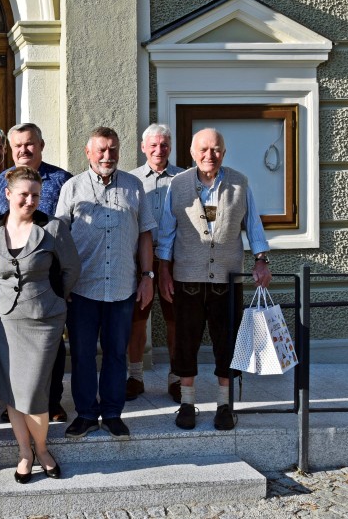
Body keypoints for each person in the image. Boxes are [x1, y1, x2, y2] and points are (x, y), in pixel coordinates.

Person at [157, 128, 272, 431]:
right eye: (204, 149)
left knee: (228, 343)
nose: (210, 155)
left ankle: (224, 404)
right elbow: (167, 232)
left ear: (224, 152)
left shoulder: (239, 183)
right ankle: (187, 402)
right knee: (186, 341)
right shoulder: (178, 184)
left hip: (227, 277)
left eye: (216, 149)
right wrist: (164, 271)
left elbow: (254, 226)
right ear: (193, 153)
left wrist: (261, 260)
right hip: (187, 278)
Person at [0, 166, 81, 483]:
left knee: (36, 391)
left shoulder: (53, 228)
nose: (30, 200)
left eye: (35, 195)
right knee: (12, 391)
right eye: (24, 194)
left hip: (44, 321)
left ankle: (42, 448)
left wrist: (54, 298)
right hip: (6, 321)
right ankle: (25, 452)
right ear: (8, 194)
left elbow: (71, 269)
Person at [57, 127, 156, 441]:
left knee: (116, 353)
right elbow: (59, 238)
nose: (107, 156)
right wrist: (62, 283)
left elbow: (145, 235)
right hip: (82, 288)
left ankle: (113, 413)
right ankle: (85, 414)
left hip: (123, 286)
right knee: (83, 353)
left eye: (112, 149)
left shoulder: (134, 187)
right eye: (100, 149)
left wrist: (147, 277)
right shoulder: (71, 188)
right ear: (88, 152)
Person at [0, 123, 73, 422]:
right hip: (11, 280)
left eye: (30, 144)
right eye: (18, 145)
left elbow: (68, 236)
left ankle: (53, 400)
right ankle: (14, 403)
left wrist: (60, 292)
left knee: (51, 349)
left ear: (41, 144)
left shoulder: (62, 180)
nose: (24, 150)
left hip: (48, 276)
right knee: (12, 353)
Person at [127, 124, 183, 403]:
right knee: (137, 321)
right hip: (141, 261)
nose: (159, 150)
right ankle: (135, 377)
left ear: (170, 147)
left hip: (175, 261)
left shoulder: (185, 178)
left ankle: (176, 379)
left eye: (164, 144)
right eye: (153, 145)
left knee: (175, 322)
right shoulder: (132, 180)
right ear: (143, 147)